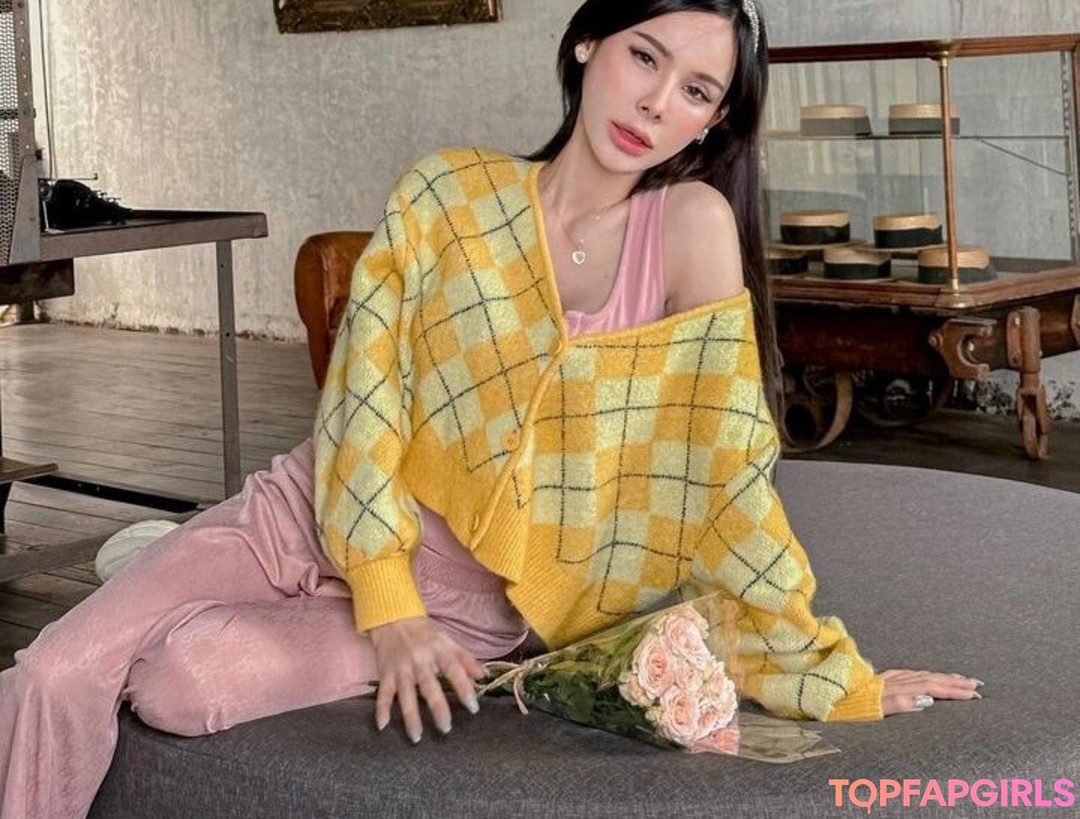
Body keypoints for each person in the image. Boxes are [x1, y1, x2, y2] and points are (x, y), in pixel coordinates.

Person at [0, 1, 981, 816]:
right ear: (587, 44)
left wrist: (822, 670)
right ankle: (171, 567)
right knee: (51, 671)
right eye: (644, 56)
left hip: (471, 603)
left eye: (695, 90)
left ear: (713, 124)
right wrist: (384, 601)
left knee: (178, 684)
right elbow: (362, 400)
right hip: (305, 514)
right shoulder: (448, 193)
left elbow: (727, 472)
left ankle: (158, 569)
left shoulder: (690, 227)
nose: (655, 102)